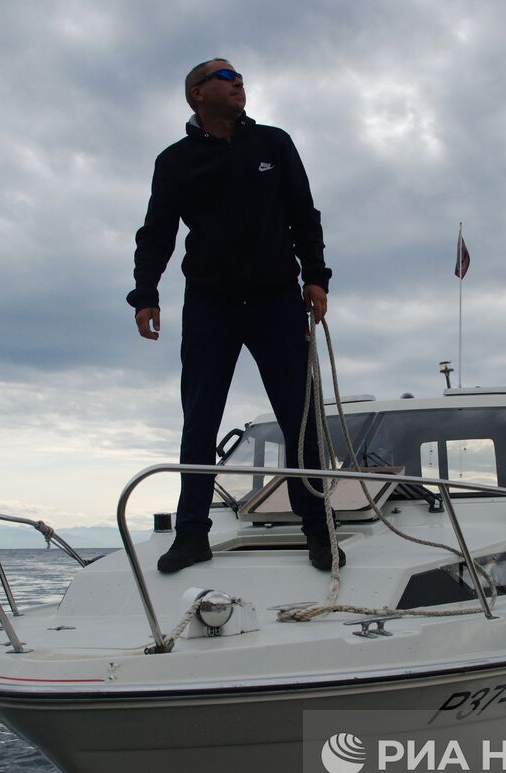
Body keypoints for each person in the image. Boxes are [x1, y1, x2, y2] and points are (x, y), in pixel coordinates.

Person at [128, 58, 341, 574]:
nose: (238, 81)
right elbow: (157, 230)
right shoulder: (175, 160)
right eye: (225, 77)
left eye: (239, 76)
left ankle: (318, 528)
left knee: (300, 417)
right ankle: (192, 533)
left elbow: (302, 212)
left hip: (274, 298)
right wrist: (145, 293)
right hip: (210, 304)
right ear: (197, 94)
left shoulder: (274, 143)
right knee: (199, 418)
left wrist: (315, 276)